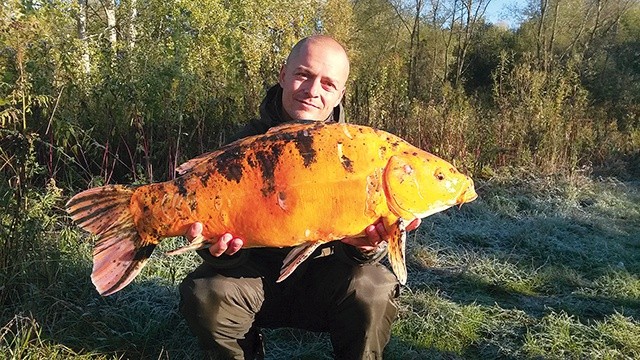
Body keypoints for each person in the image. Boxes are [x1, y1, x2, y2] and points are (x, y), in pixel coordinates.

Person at [179, 35, 420, 360]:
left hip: (324, 282)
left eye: (328, 84)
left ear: (339, 95)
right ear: (283, 74)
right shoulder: (245, 144)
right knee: (208, 291)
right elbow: (219, 244)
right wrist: (219, 252)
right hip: (254, 278)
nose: (313, 90)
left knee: (373, 287)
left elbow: (362, 256)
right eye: (303, 75)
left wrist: (365, 249)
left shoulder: (360, 152)